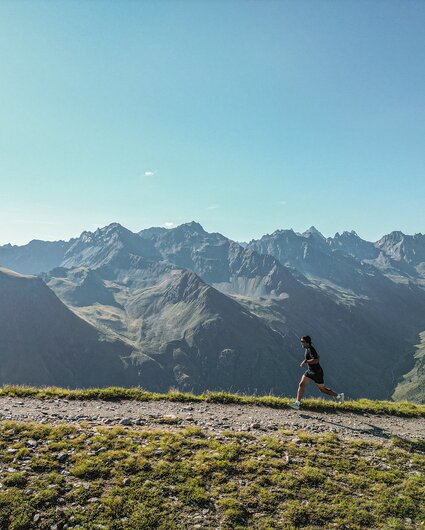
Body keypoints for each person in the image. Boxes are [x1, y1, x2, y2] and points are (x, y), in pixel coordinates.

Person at [289, 336, 344, 410]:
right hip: (310, 371)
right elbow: (317, 357)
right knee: (301, 384)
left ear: (307, 342)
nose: (301, 343)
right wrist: (309, 360)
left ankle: (339, 396)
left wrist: (305, 361)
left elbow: (316, 360)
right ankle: (297, 404)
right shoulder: (308, 348)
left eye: (302, 341)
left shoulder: (311, 349)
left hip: (317, 372)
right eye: (301, 341)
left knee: (322, 390)